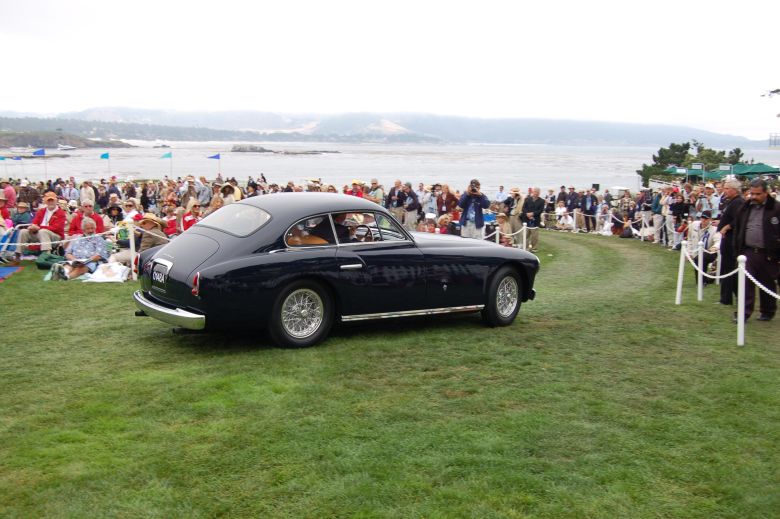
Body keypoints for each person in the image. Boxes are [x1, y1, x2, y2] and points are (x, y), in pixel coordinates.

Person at [733, 178, 780, 322]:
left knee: (767, 283)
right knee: (745, 283)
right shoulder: (745, 207)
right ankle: (743, 313)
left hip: (769, 253)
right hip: (748, 252)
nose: (754, 197)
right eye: (752, 193)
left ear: (766, 193)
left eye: (758, 194)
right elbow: (738, 227)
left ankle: (767, 311)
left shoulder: (776, 208)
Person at [13, 191, 66, 262]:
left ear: (56, 201)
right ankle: (18, 255)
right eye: (48, 200)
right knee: (23, 231)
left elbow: (56, 228)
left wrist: (39, 228)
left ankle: (46, 255)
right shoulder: (41, 211)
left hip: (55, 236)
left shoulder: (61, 213)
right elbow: (35, 223)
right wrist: (32, 227)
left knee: (43, 231)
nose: (50, 202)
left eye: (52, 200)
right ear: (45, 202)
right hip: (40, 233)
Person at [716, 178, 744, 305]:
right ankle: (727, 297)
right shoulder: (730, 202)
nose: (724, 190)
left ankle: (729, 298)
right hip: (726, 239)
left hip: (732, 240)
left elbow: (739, 219)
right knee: (726, 269)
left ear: (734, 189)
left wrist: (727, 226)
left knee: (730, 269)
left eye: (727, 188)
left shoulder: (738, 202)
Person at [521, 187, 545, 252]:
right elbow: (523, 208)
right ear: (532, 192)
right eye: (534, 192)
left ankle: (534, 248)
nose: (535, 193)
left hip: (535, 219)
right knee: (526, 234)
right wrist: (527, 214)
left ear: (539, 193)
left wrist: (533, 214)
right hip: (527, 219)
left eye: (537, 192)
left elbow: (540, 210)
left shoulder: (542, 201)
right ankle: (525, 247)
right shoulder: (527, 199)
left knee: (534, 235)